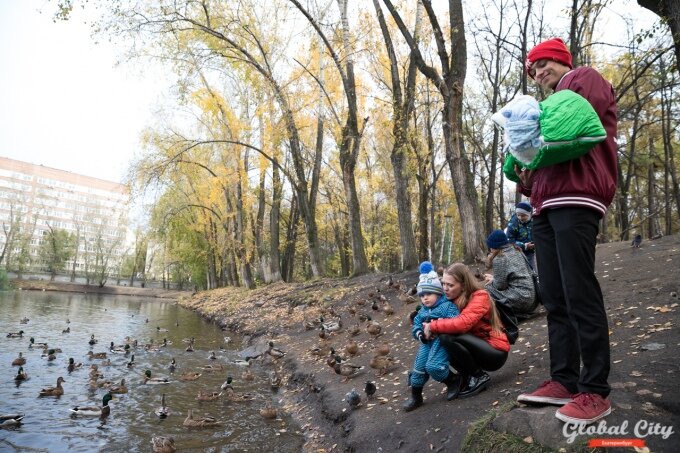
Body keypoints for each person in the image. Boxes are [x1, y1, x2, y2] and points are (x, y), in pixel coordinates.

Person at [515, 37, 617, 425]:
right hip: (544, 204)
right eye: (534, 69)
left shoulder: (583, 80)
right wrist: (526, 173)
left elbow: (571, 120)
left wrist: (533, 124)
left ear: (562, 62)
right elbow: (536, 165)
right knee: (554, 295)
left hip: (577, 196)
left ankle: (595, 390)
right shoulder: (546, 106)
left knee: (578, 289)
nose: (540, 73)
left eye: (545, 64)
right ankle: (564, 380)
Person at [424, 263, 510, 398]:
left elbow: (461, 324)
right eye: (443, 284)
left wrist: (433, 325)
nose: (445, 289)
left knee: (447, 336)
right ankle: (466, 376)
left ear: (463, 285)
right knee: (443, 336)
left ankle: (479, 376)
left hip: (495, 351)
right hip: (477, 348)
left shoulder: (479, 296)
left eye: (450, 285)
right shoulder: (450, 301)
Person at [403, 262, 461, 411]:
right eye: (422, 295)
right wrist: (420, 334)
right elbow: (416, 325)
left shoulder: (447, 306)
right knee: (418, 369)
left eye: (428, 294)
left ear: (438, 293)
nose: (425, 298)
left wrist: (439, 324)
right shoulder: (422, 311)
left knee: (434, 366)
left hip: (440, 341)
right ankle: (416, 396)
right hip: (426, 343)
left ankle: (453, 380)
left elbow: (455, 321)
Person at [484, 229, 537, 317]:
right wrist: (494, 278)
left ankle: (505, 316)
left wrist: (492, 280)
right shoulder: (517, 250)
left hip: (522, 300)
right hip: (533, 300)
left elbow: (500, 286)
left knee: (487, 289)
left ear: (494, 246)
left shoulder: (499, 258)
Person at [506, 201, 535, 270]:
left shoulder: (534, 220)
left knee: (532, 270)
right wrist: (524, 245)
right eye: (518, 215)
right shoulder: (514, 222)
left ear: (530, 214)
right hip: (517, 252)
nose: (520, 217)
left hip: (530, 251)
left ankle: (534, 279)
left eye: (523, 215)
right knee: (520, 271)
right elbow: (509, 239)